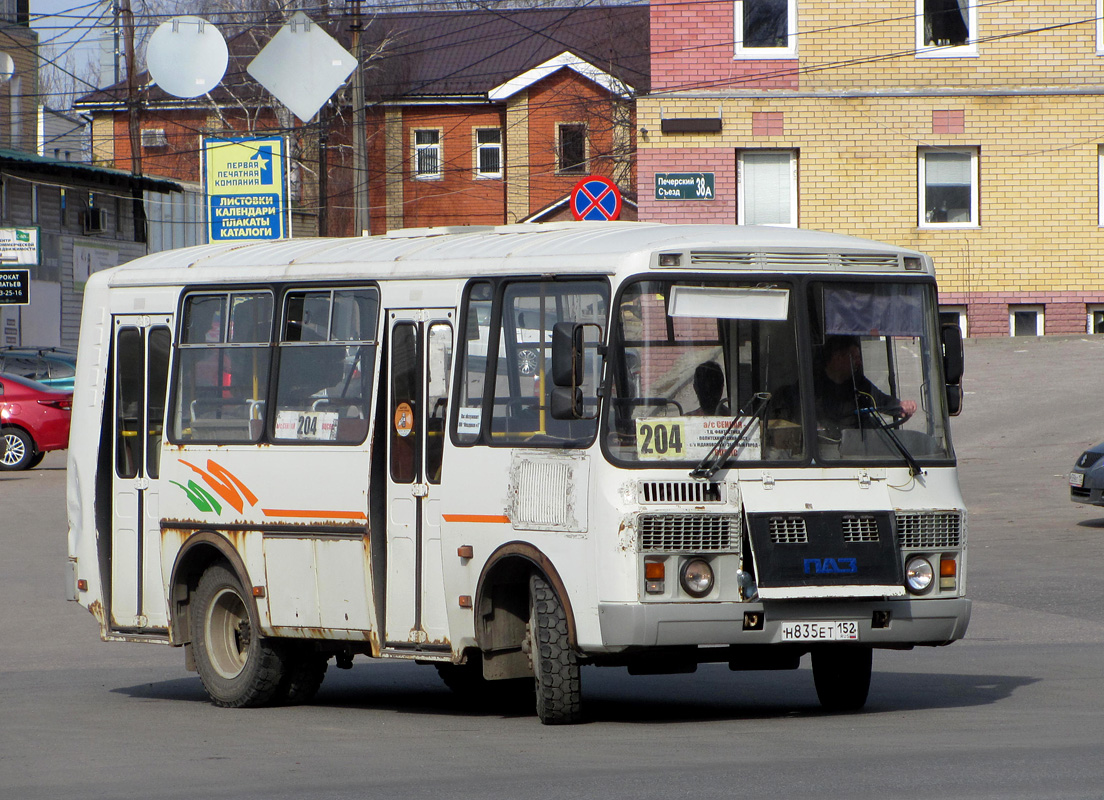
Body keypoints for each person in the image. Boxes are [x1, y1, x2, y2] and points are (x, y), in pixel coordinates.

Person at [815, 335, 916, 433]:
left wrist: (900, 406)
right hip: (829, 445)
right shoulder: (812, 385)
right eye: (855, 358)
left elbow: (880, 401)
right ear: (838, 358)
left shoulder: (857, 382)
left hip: (858, 442)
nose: (859, 363)